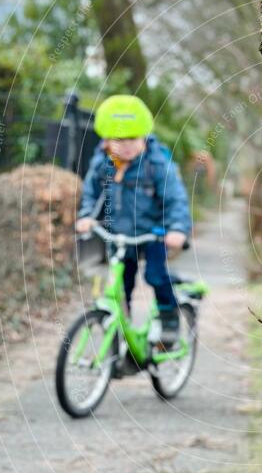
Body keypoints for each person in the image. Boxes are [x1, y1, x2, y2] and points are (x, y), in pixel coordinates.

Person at [75, 95, 191, 344]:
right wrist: (86, 216)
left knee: (155, 275)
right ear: (106, 141)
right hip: (120, 235)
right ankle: (119, 337)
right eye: (120, 139)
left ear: (144, 137)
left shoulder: (156, 164)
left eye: (133, 139)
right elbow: (91, 193)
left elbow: (175, 199)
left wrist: (178, 229)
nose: (126, 145)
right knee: (119, 285)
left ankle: (170, 317)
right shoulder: (103, 163)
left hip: (153, 232)